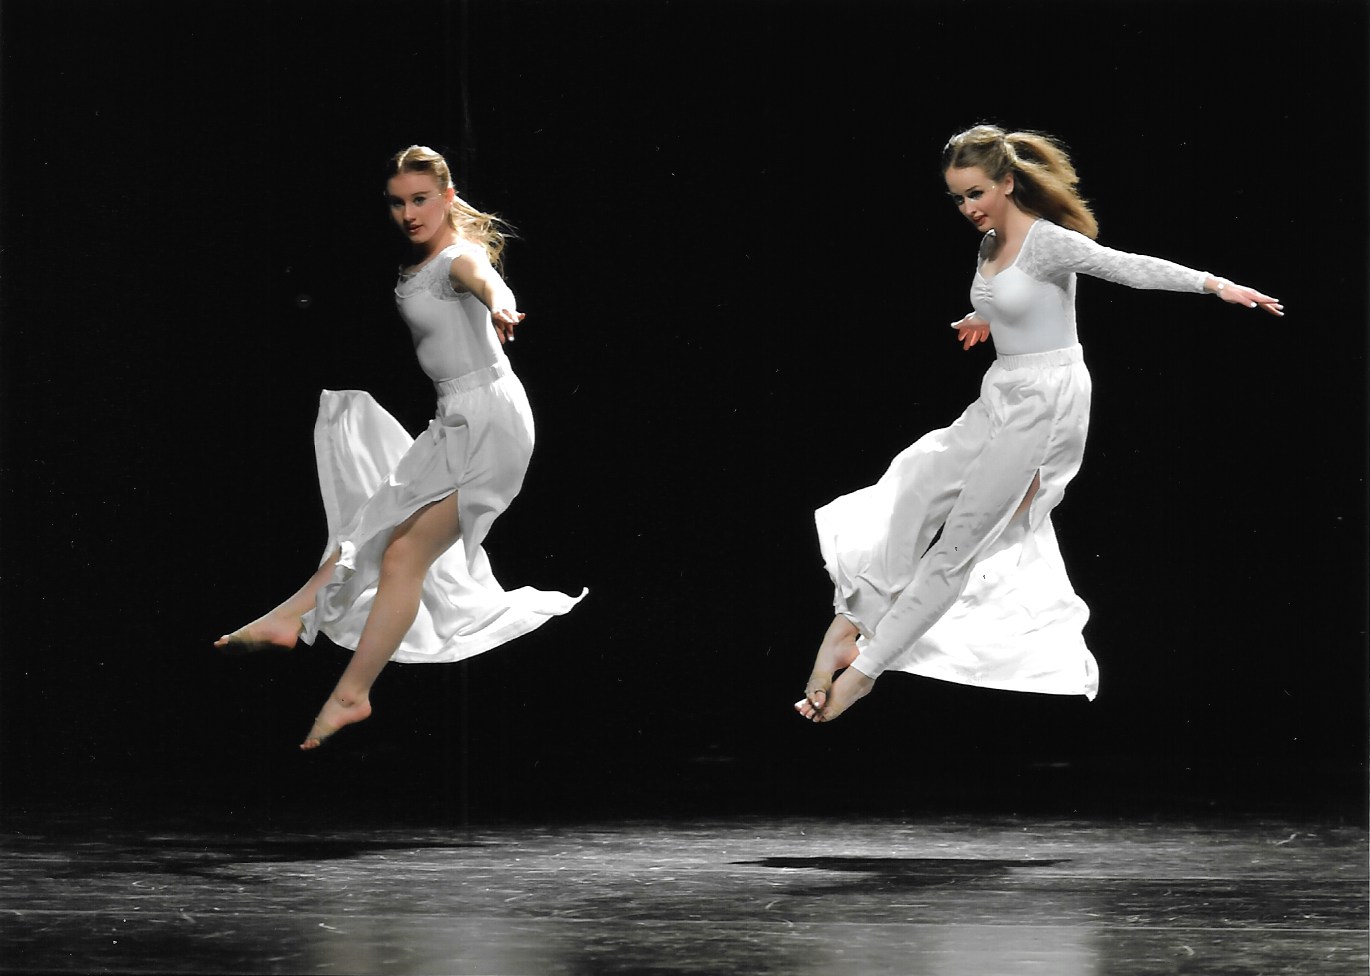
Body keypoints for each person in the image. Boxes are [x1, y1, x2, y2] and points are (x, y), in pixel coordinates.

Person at [796, 124, 1281, 723]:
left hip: (1046, 404)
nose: (968, 208)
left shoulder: (1047, 242)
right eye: (958, 198)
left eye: (976, 193)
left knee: (960, 544)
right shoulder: (989, 242)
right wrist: (983, 317)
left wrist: (1214, 285)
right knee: (914, 485)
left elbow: (1126, 267)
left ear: (1006, 182)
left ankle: (865, 672)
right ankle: (851, 624)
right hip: (1002, 388)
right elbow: (1009, 296)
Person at [216, 145, 585, 749]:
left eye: (420, 200)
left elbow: (484, 276)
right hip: (454, 417)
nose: (409, 214)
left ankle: (351, 693)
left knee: (402, 556)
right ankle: (291, 617)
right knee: (373, 523)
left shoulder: (456, 258)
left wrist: (501, 302)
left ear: (447, 197)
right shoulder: (420, 263)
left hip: (492, 422)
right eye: (397, 203)